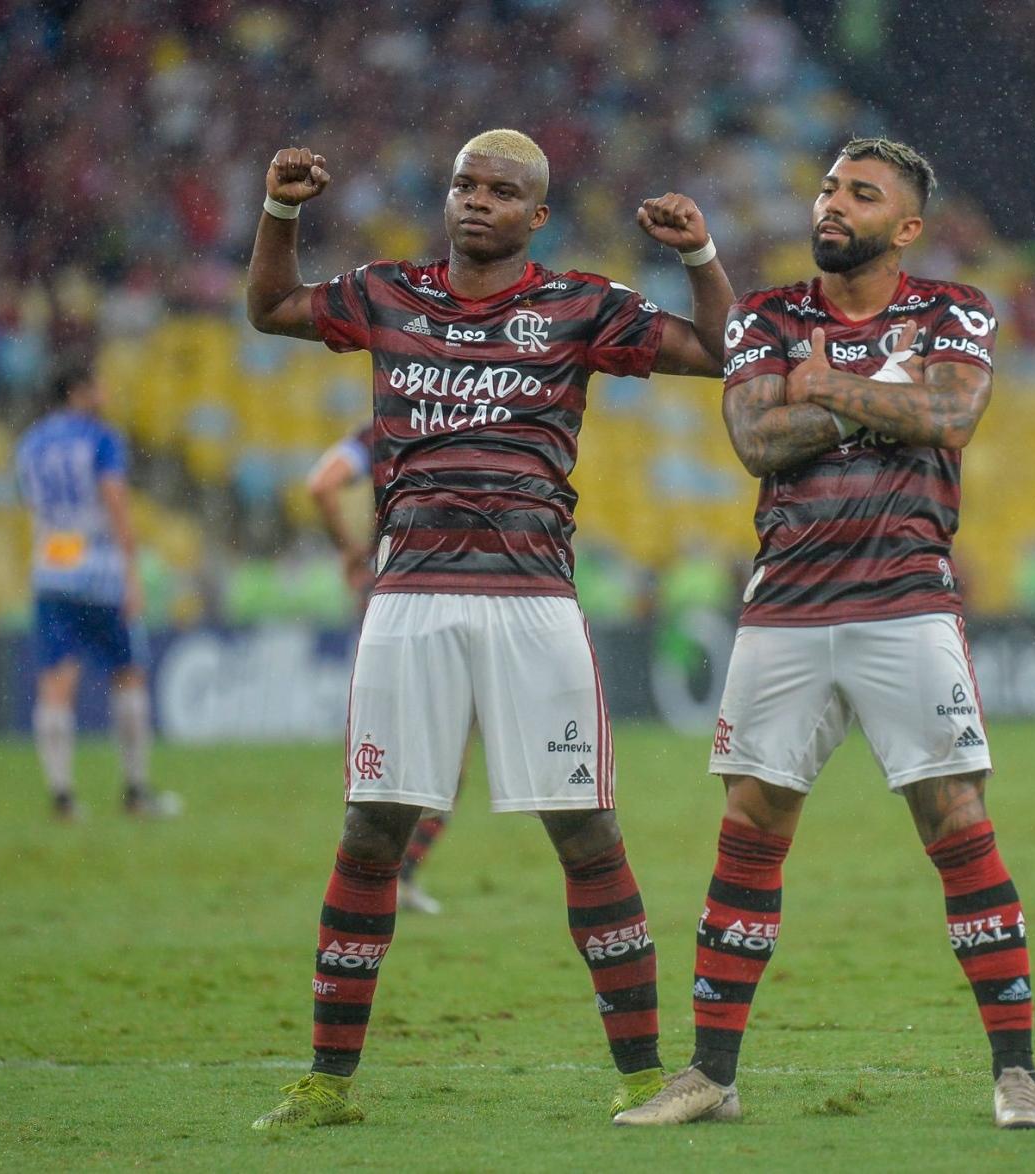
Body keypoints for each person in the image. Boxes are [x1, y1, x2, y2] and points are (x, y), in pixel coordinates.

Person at [244, 130, 733, 1130]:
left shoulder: (577, 306)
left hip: (532, 600)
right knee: (372, 826)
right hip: (409, 596)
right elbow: (270, 309)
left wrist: (698, 257)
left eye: (501, 191)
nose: (476, 200)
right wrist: (280, 211)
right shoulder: (387, 292)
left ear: (535, 215)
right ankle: (327, 1081)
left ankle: (643, 1073)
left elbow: (720, 351)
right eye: (465, 183)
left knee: (584, 828)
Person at [615, 138, 1035, 1130]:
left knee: (954, 816)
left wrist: (823, 388)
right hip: (785, 608)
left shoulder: (954, 308)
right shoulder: (768, 314)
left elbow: (951, 414)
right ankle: (711, 1074)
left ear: (904, 228)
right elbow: (754, 440)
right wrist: (877, 407)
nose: (832, 203)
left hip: (906, 601)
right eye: (826, 187)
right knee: (750, 826)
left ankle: (1016, 1071)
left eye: (860, 194)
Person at [14, 366, 177, 820]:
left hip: (52, 569)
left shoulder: (30, 443)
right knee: (128, 675)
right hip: (101, 571)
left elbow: (35, 507)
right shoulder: (102, 439)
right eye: (98, 385)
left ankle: (63, 796)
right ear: (78, 390)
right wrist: (132, 572)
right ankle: (136, 791)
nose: (105, 393)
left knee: (55, 684)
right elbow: (115, 502)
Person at [305, 424, 449, 915]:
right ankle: (390, 877)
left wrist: (350, 551)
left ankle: (374, 876)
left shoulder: (381, 430)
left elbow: (322, 482)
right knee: (442, 744)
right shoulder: (443, 421)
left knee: (396, 740)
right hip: (436, 585)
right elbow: (322, 484)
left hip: (387, 590)